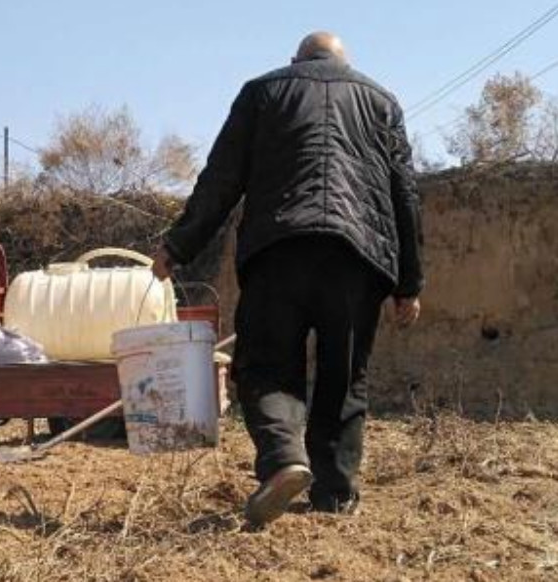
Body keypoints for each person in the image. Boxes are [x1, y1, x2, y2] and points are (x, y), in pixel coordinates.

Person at [151, 32, 423, 526]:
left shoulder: (262, 92)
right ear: (345, 64)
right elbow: (405, 193)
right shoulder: (382, 101)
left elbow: (221, 178)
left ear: (294, 61)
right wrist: (409, 283)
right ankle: (335, 496)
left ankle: (283, 460)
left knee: (266, 367)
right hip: (357, 256)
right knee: (343, 378)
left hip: (279, 248)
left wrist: (178, 245)